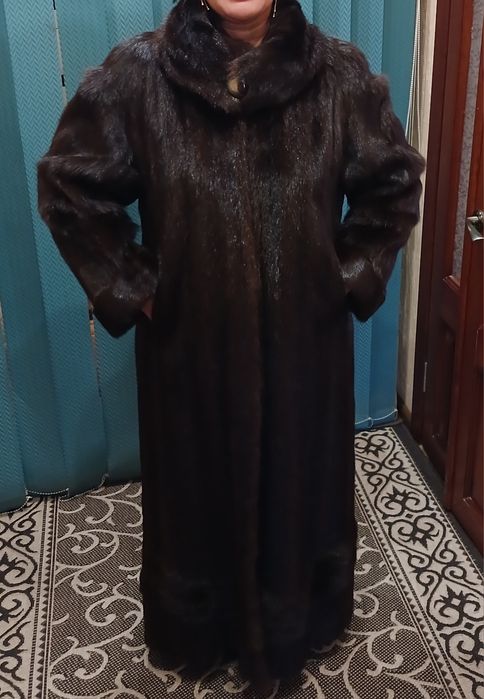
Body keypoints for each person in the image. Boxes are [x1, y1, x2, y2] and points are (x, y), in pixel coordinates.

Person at [36, 0, 426, 690]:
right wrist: (136, 285)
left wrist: (339, 278)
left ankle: (301, 614)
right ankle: (200, 622)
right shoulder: (140, 76)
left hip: (306, 359)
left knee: (299, 491)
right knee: (196, 498)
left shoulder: (337, 76)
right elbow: (68, 186)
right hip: (191, 361)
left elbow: (392, 187)